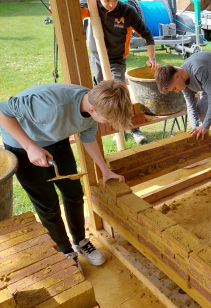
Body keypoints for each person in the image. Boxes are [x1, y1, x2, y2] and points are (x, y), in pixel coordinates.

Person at [0, 81, 133, 271]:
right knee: (48, 204)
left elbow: (88, 138)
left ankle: (80, 241)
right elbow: (2, 112)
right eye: (107, 120)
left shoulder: (94, 105)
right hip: (23, 142)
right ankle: (65, 250)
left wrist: (105, 169)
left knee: (73, 192)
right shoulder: (50, 106)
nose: (108, 124)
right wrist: (30, 147)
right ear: (93, 108)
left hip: (55, 136)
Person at [77, 0, 160, 144]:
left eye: (114, 0)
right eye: (107, 0)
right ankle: (109, 127)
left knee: (119, 93)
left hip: (117, 59)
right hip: (97, 57)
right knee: (101, 94)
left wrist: (152, 58)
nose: (111, 5)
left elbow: (147, 35)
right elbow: (67, 12)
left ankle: (133, 129)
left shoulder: (127, 11)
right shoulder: (92, 5)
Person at [155, 51, 211, 141]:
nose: (177, 91)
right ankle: (203, 138)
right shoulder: (183, 82)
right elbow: (190, 106)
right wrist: (195, 128)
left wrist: (205, 126)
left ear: (177, 76)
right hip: (209, 83)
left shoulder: (198, 69)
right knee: (201, 111)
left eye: (174, 88)